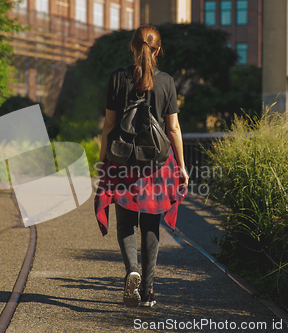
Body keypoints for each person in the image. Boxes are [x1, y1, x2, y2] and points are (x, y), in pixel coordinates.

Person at [94, 25, 189, 308]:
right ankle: (147, 292)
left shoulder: (117, 79)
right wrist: (182, 166)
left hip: (123, 161)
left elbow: (109, 124)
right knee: (150, 225)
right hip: (157, 165)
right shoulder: (167, 82)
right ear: (157, 50)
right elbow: (173, 129)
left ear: (132, 47)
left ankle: (131, 269)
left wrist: (102, 160)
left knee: (125, 222)